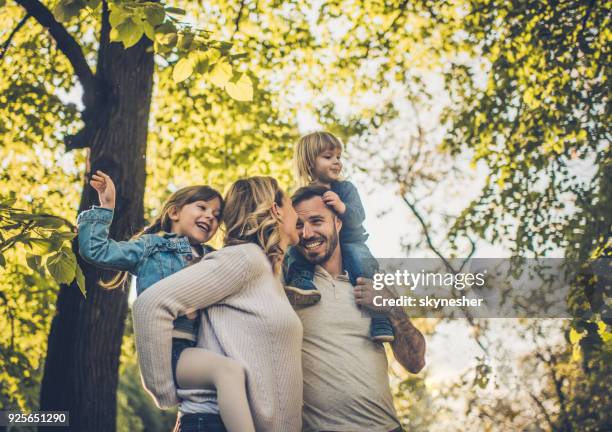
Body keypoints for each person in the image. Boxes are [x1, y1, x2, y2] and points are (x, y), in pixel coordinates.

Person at [77, 171, 255, 432]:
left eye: (217, 216)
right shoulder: (151, 247)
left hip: (203, 346)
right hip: (171, 349)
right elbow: (96, 250)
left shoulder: (213, 257)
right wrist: (106, 207)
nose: (210, 217)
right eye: (202, 207)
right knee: (228, 372)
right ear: (174, 212)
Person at [132, 176, 304, 432]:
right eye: (291, 204)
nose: (297, 214)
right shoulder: (244, 259)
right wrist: (164, 389)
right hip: (211, 423)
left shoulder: (266, 271)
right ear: (275, 210)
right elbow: (149, 305)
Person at [290, 185, 426, 432]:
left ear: (338, 224)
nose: (307, 233)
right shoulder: (291, 289)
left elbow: (415, 362)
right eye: (299, 225)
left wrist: (390, 307)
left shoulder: (372, 284)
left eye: (317, 221)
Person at [285, 131, 394, 342]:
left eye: (338, 157)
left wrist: (342, 207)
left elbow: (359, 217)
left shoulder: (345, 189)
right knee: (294, 250)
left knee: (363, 269)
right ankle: (302, 282)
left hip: (351, 242)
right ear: (309, 163)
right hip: (318, 247)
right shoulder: (301, 196)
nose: (336, 162)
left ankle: (380, 318)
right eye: (328, 157)